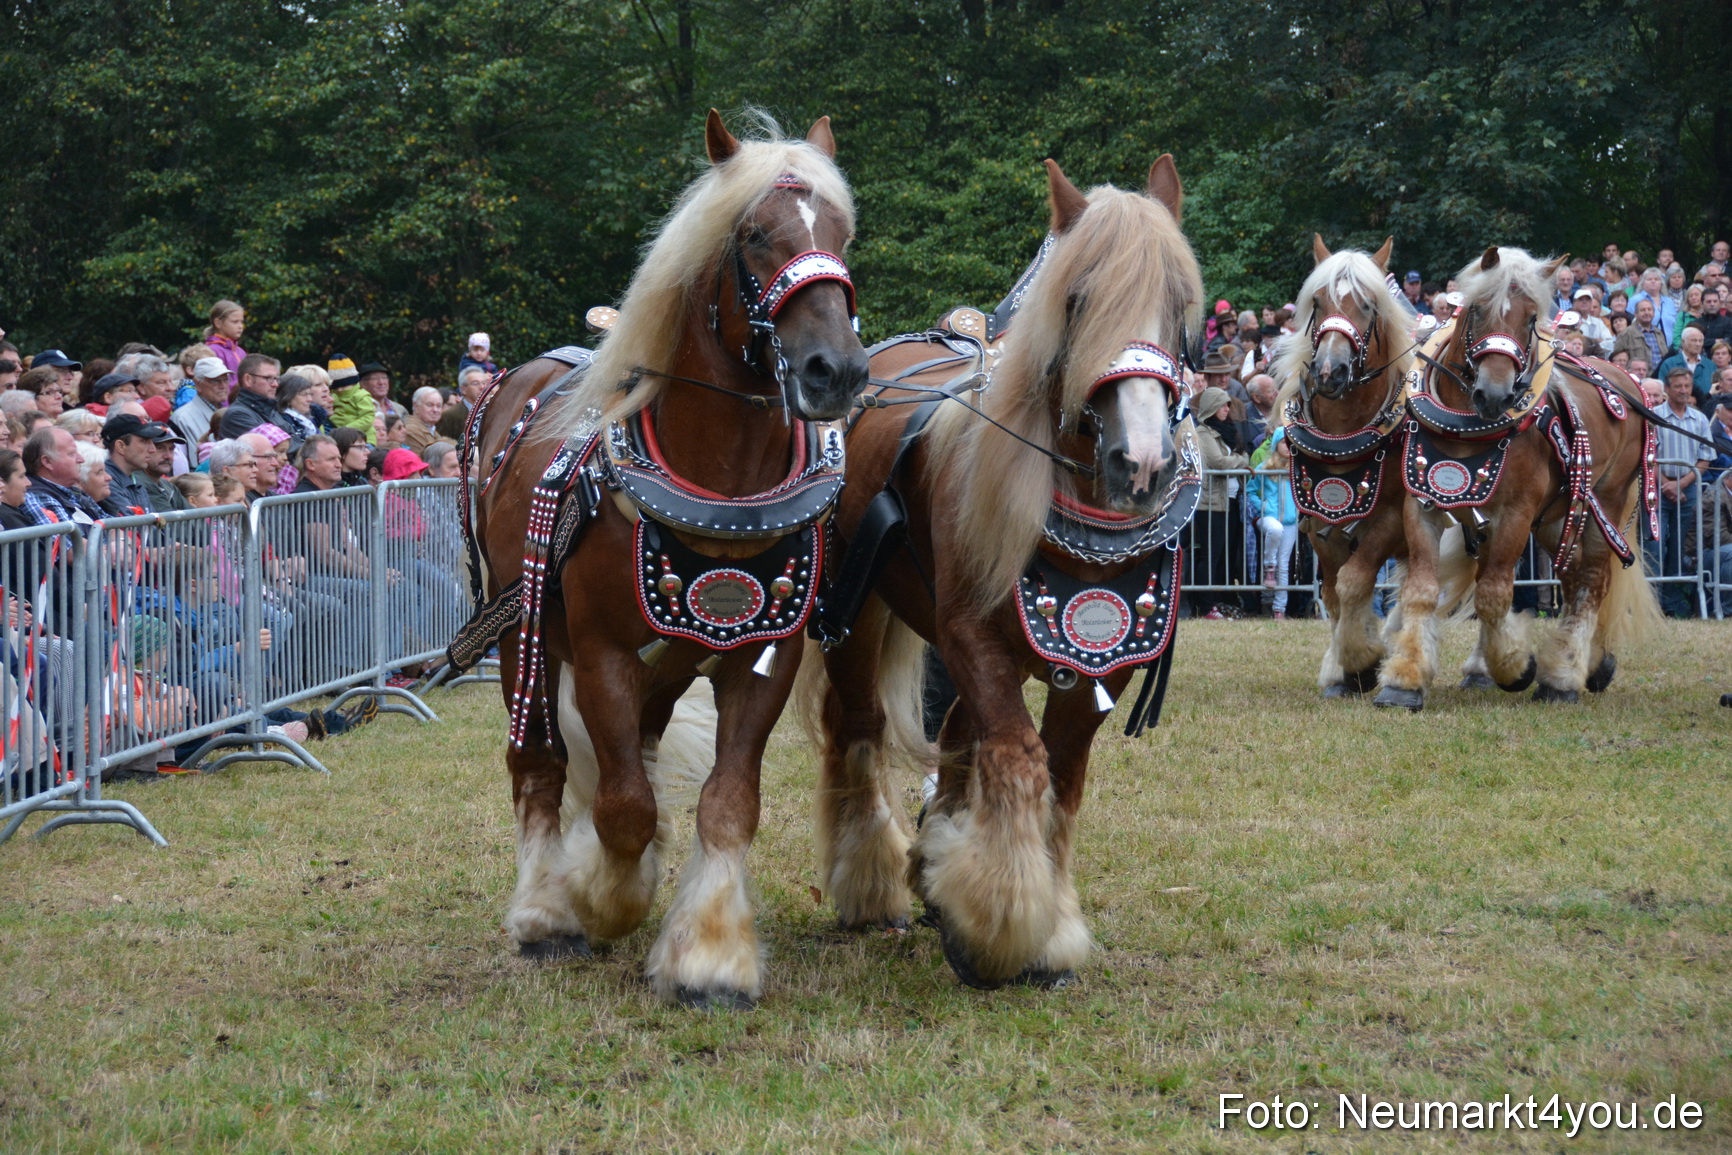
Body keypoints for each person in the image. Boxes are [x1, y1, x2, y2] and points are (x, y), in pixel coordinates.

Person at [1649, 366, 1713, 618]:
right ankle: (1653, 604)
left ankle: (1675, 605)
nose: (1684, 391)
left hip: (1689, 489)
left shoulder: (1699, 419)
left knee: (1681, 548)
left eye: (1687, 386)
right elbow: (1649, 455)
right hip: (1657, 488)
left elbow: (1705, 458)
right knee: (1655, 546)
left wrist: (1681, 484)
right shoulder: (1654, 416)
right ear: (1667, 390)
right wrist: (1666, 483)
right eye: (1679, 386)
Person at [1187, 385, 1249, 619]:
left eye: (1228, 404)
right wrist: (1241, 460)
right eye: (1223, 404)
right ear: (1212, 407)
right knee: (1210, 556)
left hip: (1228, 501)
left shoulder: (1223, 432)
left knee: (1223, 556)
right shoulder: (1204, 433)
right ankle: (1205, 606)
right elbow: (1219, 463)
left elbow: (1227, 459)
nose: (1227, 409)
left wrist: (1236, 460)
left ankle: (1219, 601)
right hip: (1210, 504)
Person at [1247, 427, 1300, 618]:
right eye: (1283, 442)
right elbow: (1250, 490)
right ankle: (1269, 566)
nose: (1287, 446)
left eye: (1290, 443)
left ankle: (1279, 609)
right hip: (1269, 516)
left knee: (1284, 565)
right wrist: (1262, 506)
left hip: (1291, 521)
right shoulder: (1264, 467)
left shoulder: (1296, 469)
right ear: (1276, 443)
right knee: (1275, 530)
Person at [21, 426, 102, 525]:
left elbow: (113, 526)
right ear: (47, 462)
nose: (81, 459)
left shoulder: (74, 491)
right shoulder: (37, 497)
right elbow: (66, 539)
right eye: (72, 454)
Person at [100, 414, 171, 516]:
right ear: (121, 446)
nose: (153, 449)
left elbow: (152, 525)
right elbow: (135, 528)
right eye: (144, 441)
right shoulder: (106, 481)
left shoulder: (135, 480)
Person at [218, 354, 288, 440]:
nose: (275, 384)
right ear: (248, 380)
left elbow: (296, 440)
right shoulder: (237, 415)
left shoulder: (271, 410)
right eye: (268, 378)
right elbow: (275, 446)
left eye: (276, 378)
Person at [172, 357, 234, 447]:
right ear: (198, 384)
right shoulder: (182, 419)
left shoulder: (228, 412)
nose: (223, 386)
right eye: (215, 381)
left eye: (226, 380)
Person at [1657, 326, 1712, 405]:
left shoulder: (1710, 365)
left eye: (1700, 341)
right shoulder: (1669, 364)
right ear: (1683, 342)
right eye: (1694, 340)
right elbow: (1663, 391)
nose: (1698, 344)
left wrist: (1698, 400)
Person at [202, 299, 248, 379]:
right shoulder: (211, 351)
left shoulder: (240, 351)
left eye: (241, 322)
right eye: (235, 322)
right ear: (218, 323)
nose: (240, 326)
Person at [404, 387, 443, 454]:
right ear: (416, 406)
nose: (435, 410)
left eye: (438, 406)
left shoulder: (431, 429)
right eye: (430, 405)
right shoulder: (411, 429)